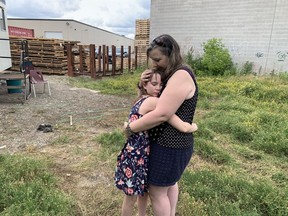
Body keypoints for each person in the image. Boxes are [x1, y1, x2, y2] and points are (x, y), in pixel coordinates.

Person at [124, 34, 198, 216]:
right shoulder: (172, 73)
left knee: (157, 192)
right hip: (171, 144)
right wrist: (143, 84)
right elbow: (146, 99)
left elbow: (162, 113)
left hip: (170, 144)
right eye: (152, 60)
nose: (155, 64)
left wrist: (130, 128)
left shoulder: (180, 75)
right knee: (169, 184)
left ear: (171, 54)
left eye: (158, 59)